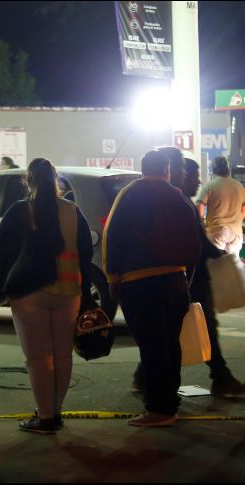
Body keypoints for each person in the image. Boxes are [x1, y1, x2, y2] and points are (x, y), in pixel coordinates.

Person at [0, 158, 93, 434]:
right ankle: (56, 413)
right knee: (62, 357)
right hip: (68, 291)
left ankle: (45, 417)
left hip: (29, 293)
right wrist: (86, 292)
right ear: (56, 180)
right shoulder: (73, 211)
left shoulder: (20, 211)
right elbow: (86, 253)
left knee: (38, 358)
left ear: (29, 181)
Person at [104, 150, 200, 428]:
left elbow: (112, 237)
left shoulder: (131, 194)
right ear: (167, 171)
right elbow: (194, 245)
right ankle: (169, 404)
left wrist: (112, 278)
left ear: (142, 169)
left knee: (152, 348)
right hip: (176, 281)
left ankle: (159, 409)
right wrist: (185, 280)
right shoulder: (179, 197)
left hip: (140, 282)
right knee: (171, 344)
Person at [134, 158, 245, 397]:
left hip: (188, 277)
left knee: (178, 329)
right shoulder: (181, 204)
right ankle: (218, 377)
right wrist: (219, 255)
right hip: (188, 279)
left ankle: (146, 377)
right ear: (179, 175)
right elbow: (198, 242)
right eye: (193, 176)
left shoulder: (178, 203)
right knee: (195, 328)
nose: (197, 182)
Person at [196, 155, 245, 255]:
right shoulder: (240, 187)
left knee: (216, 262)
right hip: (236, 234)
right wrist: (238, 220)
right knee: (232, 263)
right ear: (227, 169)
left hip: (216, 231)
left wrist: (203, 225)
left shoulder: (210, 186)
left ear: (214, 170)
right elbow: (243, 209)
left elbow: (199, 206)